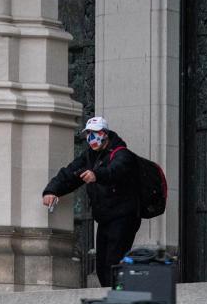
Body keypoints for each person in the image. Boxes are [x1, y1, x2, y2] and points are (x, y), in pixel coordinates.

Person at [42, 116, 141, 287]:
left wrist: (97, 175)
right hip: (105, 218)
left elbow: (116, 171)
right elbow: (70, 173)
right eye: (88, 134)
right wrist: (52, 190)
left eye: (95, 133)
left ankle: (120, 295)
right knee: (102, 266)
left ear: (105, 134)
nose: (91, 138)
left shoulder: (122, 154)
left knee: (113, 262)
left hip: (124, 216)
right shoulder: (90, 156)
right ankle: (113, 294)